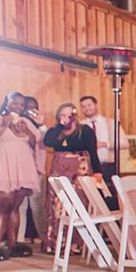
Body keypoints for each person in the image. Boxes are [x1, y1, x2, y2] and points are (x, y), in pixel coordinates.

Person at [0, 92, 41, 262]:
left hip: (22, 168)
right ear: (7, 102)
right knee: (3, 206)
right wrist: (4, 126)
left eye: (22, 105)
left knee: (15, 208)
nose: (18, 107)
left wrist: (28, 132)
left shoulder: (25, 122)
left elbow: (37, 145)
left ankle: (13, 244)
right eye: (15, 103)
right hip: (4, 167)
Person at [42, 102, 102, 254]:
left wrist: (98, 172)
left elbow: (93, 152)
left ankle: (78, 242)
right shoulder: (55, 132)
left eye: (69, 114)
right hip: (59, 170)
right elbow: (47, 142)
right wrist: (59, 127)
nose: (66, 117)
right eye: (63, 114)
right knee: (57, 205)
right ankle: (57, 242)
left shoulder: (85, 131)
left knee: (78, 203)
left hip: (79, 171)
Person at [79, 95, 127, 210]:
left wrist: (105, 144)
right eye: (83, 107)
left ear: (95, 105)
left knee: (110, 197)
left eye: (89, 105)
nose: (87, 108)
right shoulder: (80, 126)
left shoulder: (111, 123)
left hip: (107, 167)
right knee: (91, 198)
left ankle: (113, 225)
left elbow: (125, 143)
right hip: (88, 168)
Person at [19, 96, 48, 245]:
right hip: (21, 170)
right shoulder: (18, 123)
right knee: (21, 205)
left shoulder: (38, 124)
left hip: (37, 169)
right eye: (27, 107)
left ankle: (45, 239)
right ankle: (18, 241)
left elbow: (47, 141)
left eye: (34, 107)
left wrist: (40, 124)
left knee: (38, 205)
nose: (31, 110)